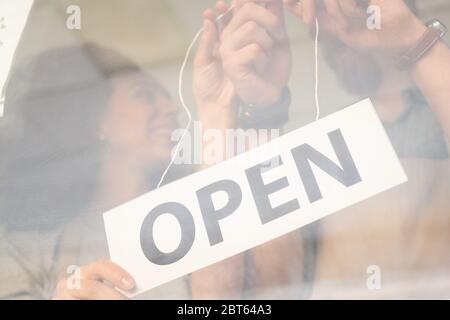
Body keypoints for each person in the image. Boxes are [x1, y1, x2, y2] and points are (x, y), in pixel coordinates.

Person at [191, 0, 450, 299]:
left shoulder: (432, 107)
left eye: (331, 9)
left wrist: (414, 39)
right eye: (315, 23)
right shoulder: (326, 144)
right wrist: (262, 112)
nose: (324, 28)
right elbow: (271, 292)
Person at [0, 43, 187, 299]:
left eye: (167, 96)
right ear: (96, 120)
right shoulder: (29, 251)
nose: (172, 108)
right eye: (145, 95)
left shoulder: (197, 217)